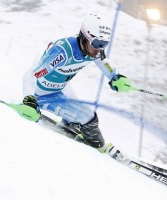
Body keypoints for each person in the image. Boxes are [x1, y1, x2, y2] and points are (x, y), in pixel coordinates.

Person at [22, 13, 132, 151]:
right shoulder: (62, 53)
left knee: (82, 114)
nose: (99, 48)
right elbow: (31, 75)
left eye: (104, 44)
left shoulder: (93, 49)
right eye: (97, 43)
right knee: (89, 118)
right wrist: (29, 99)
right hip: (42, 95)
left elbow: (103, 61)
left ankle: (71, 124)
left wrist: (115, 77)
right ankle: (100, 148)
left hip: (60, 89)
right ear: (85, 37)